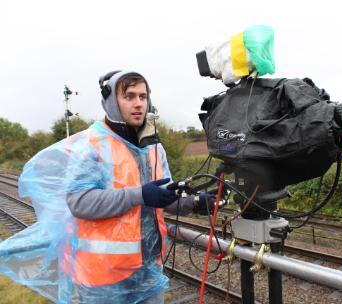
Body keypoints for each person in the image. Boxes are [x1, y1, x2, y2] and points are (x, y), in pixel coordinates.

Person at [0, 70, 217, 304]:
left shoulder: (154, 148)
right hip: (103, 279)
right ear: (112, 102)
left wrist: (193, 203)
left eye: (143, 97)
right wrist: (139, 195)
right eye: (129, 96)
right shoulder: (91, 145)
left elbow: (160, 197)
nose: (138, 104)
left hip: (148, 269)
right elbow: (79, 203)